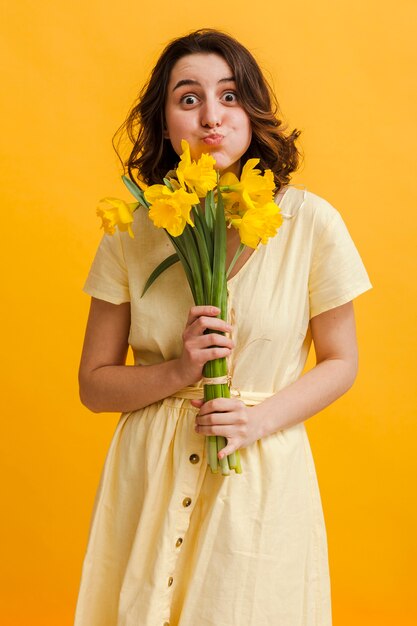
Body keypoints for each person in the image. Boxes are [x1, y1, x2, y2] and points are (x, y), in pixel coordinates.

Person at [74, 28, 372, 626]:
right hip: (149, 475)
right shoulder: (135, 227)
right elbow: (93, 385)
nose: (211, 116)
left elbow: (342, 360)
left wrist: (255, 421)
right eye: (189, 99)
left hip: (259, 468)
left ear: (253, 110)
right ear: (164, 123)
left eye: (230, 96)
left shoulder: (309, 221)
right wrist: (181, 369)